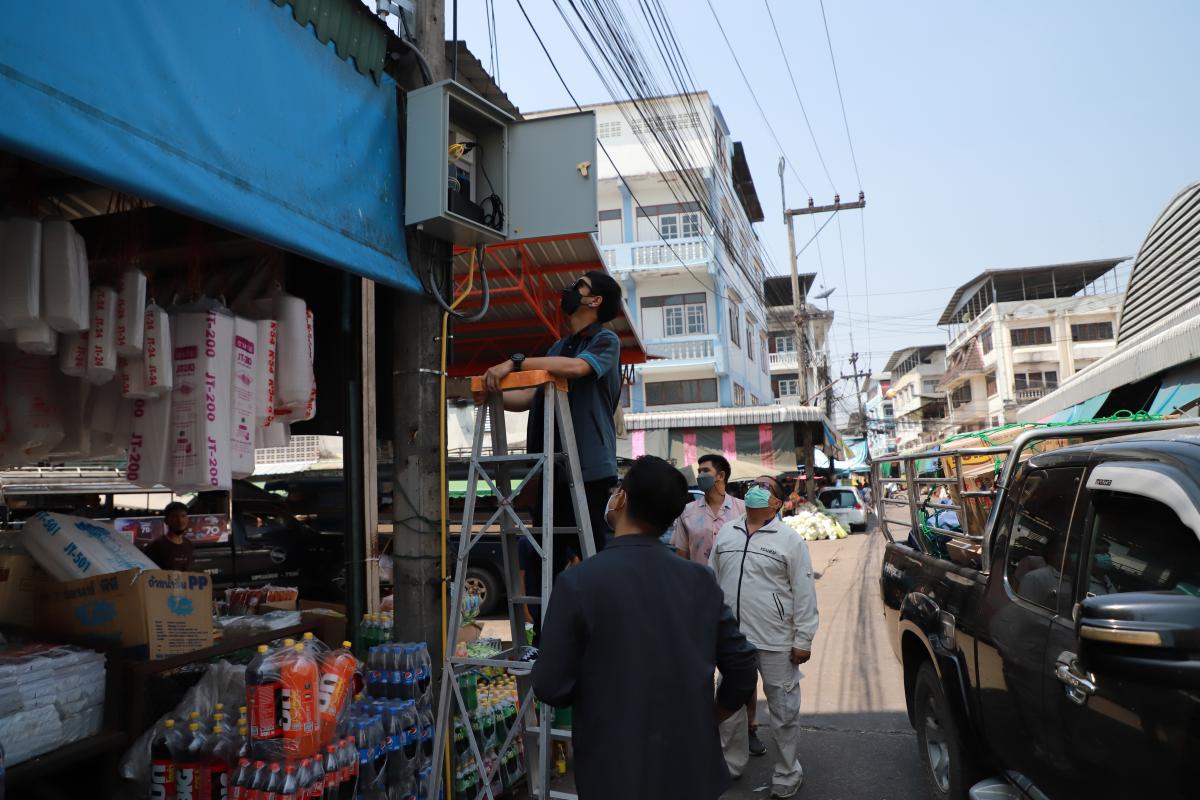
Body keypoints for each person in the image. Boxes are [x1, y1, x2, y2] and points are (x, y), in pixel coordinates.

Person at [533, 456, 759, 800]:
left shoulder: (578, 583)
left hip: (614, 772)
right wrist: (709, 717)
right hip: (691, 769)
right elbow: (742, 668)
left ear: (621, 498)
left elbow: (550, 685)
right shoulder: (699, 579)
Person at [481, 271, 623, 575]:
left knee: (594, 555)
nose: (569, 290)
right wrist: (491, 395)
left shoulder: (605, 340)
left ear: (596, 300)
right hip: (550, 467)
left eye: (580, 286)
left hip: (588, 469)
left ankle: (604, 606)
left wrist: (515, 363)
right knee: (546, 559)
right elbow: (530, 397)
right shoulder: (558, 348)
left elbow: (577, 368)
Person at [710, 475, 819, 799]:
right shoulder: (727, 532)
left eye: (765, 487)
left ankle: (787, 772)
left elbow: (804, 592)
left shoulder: (790, 540)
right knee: (730, 710)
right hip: (732, 641)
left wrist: (803, 639)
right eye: (753, 485)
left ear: (777, 503)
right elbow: (711, 582)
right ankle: (730, 765)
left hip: (776, 641)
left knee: (784, 711)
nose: (755, 489)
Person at [669, 454, 765, 756]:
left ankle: (749, 727)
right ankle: (706, 729)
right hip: (698, 601)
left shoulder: (742, 509)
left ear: (721, 475)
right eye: (699, 470)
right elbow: (681, 557)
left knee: (741, 666)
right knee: (701, 667)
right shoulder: (687, 513)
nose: (700, 475)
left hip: (738, 599)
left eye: (705, 470)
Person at [142, 501, 195, 571]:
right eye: (175, 516)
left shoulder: (189, 544)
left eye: (183, 516)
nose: (180, 520)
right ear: (166, 521)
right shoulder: (155, 546)